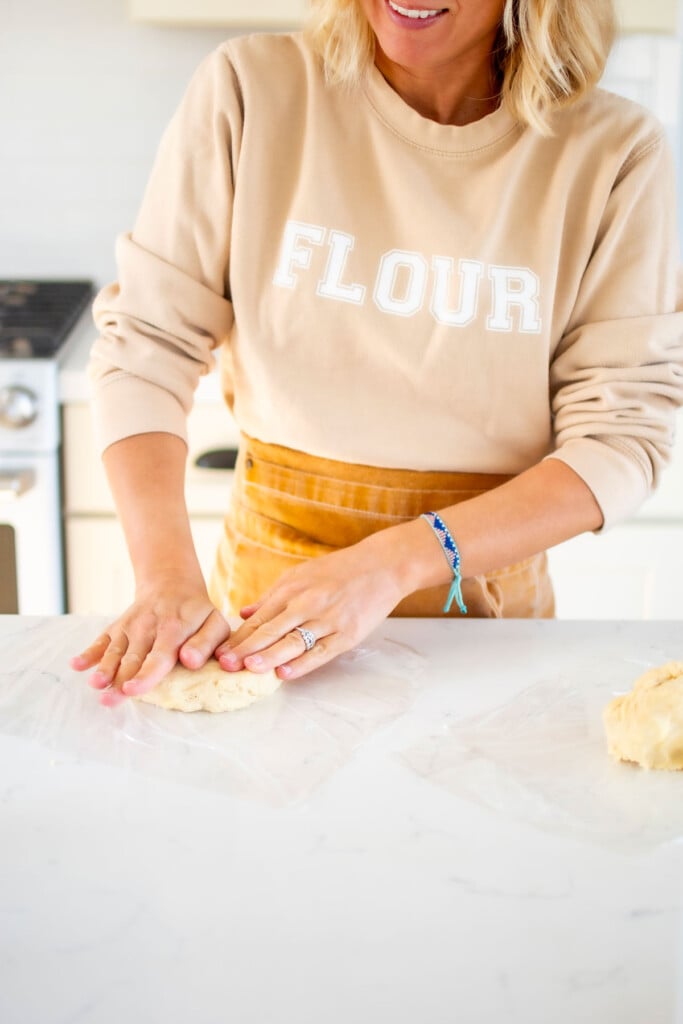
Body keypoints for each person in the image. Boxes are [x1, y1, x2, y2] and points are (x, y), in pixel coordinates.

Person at [71, 0, 683, 706]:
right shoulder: (253, 89)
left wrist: (393, 563)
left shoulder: (611, 151)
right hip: (262, 601)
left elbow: (617, 441)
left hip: (483, 614)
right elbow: (145, 345)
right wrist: (165, 579)